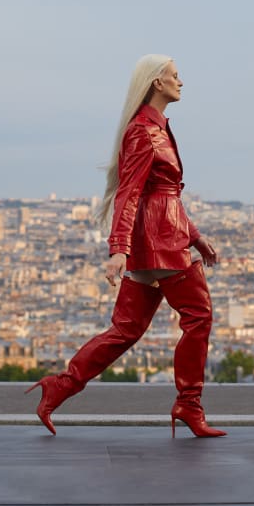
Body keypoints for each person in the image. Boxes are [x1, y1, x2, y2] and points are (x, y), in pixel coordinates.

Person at [27, 54, 226, 438]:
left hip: (160, 236)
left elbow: (164, 194)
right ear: (156, 82)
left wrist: (197, 237)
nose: (181, 82)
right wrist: (118, 248)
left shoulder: (156, 128)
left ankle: (60, 386)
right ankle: (188, 403)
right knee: (198, 315)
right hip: (160, 240)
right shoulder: (143, 131)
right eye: (175, 76)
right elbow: (130, 193)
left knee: (127, 329)